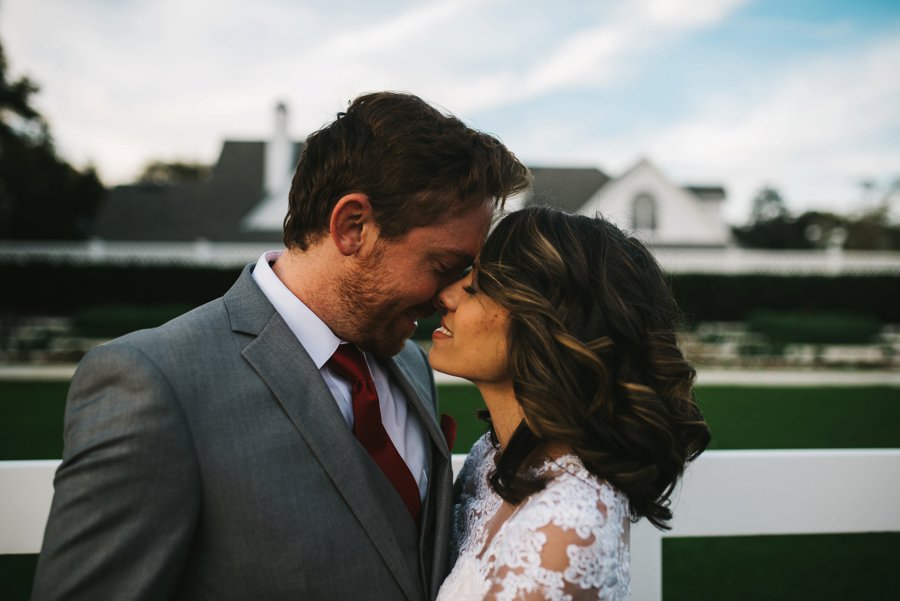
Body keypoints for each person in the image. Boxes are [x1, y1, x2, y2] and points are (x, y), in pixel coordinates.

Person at [31, 92, 530, 601]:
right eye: (444, 266)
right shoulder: (154, 383)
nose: (452, 293)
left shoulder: (410, 363)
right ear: (352, 226)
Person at [429, 207, 711, 600]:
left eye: (475, 288)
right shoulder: (494, 457)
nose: (444, 296)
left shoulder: (559, 536)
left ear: (545, 323)